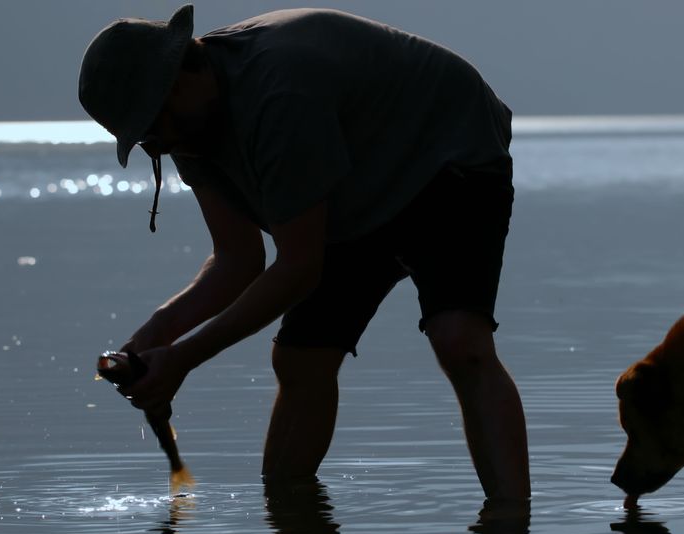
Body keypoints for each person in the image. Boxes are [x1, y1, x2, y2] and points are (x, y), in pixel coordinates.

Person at [78, 4, 529, 499]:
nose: (157, 146)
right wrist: (154, 339)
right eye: (143, 137)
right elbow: (238, 259)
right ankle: (290, 521)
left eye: (154, 124)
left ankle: (509, 528)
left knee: (459, 342)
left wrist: (182, 360)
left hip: (446, 153)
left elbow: (297, 269)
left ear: (186, 69)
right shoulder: (185, 131)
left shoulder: (280, 91)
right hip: (352, 183)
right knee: (299, 361)